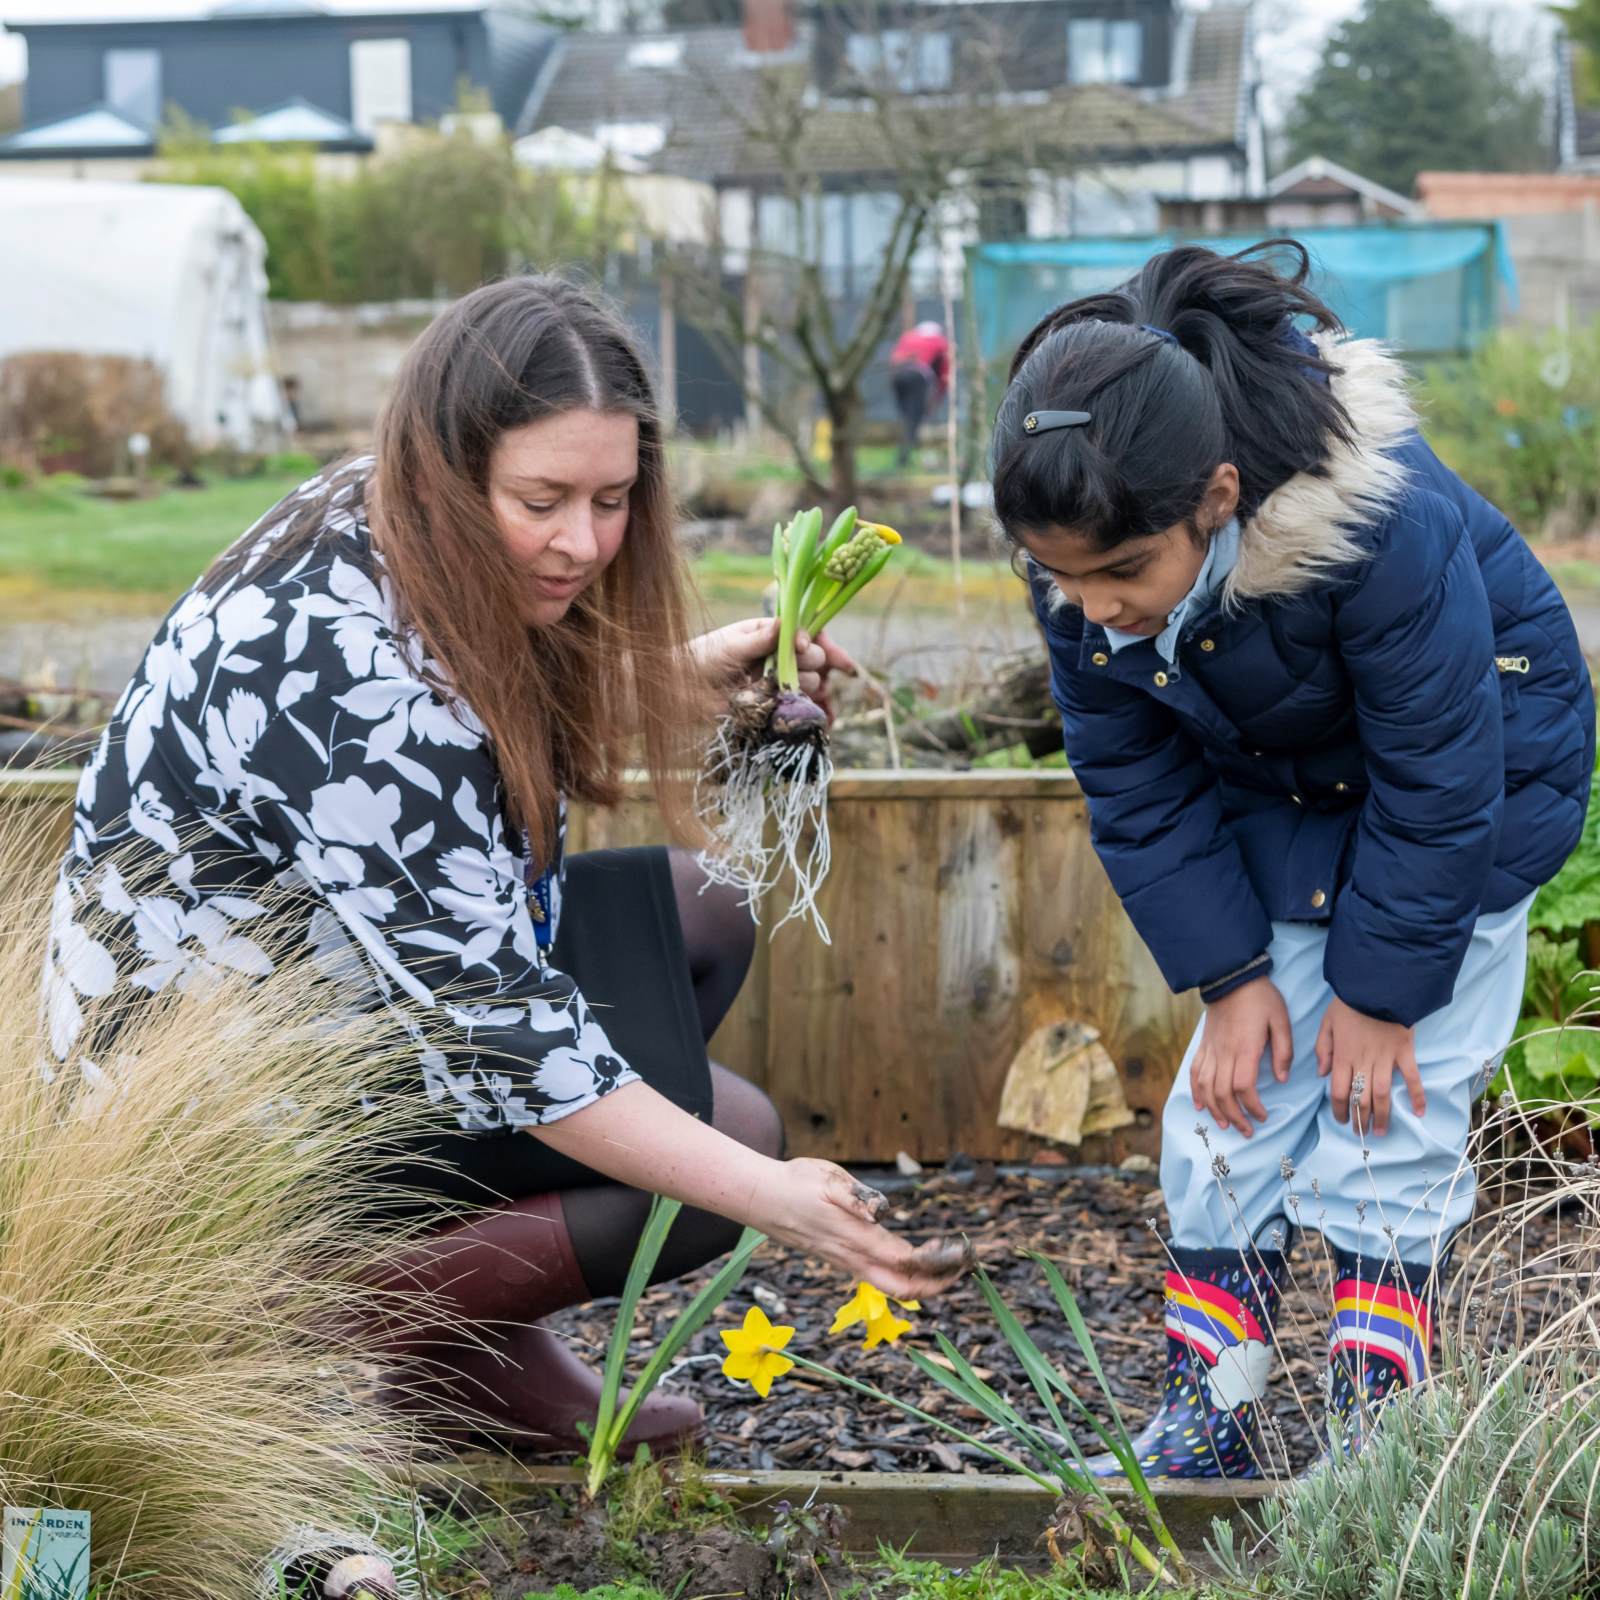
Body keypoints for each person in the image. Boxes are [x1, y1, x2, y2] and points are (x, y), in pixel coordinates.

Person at [46, 274, 968, 1455]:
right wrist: (775, 1203)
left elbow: (469, 720)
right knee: (727, 1143)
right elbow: (507, 1034)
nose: (580, 541)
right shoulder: (338, 669)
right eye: (541, 498)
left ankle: (474, 1339)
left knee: (700, 917)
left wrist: (675, 676)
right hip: (226, 1119)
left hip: (340, 999)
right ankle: (293, 1329)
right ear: (449, 467)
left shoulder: (375, 513)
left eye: (612, 498)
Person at [989, 242, 1593, 1475]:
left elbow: (1439, 782)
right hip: (1292, 788)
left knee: (1386, 1117)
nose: (1091, 607)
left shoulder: (1380, 529)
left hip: (1468, 797)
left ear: (1217, 495)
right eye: (1058, 576)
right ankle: (1211, 1410)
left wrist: (1377, 999)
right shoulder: (1085, 580)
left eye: (1118, 573)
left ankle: (1379, 1432)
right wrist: (1232, 978)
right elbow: (1136, 786)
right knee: (1227, 1109)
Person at [888, 320, 950, 468]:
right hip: (917, 377)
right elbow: (944, 373)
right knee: (914, 418)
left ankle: (906, 453)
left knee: (906, 416)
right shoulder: (941, 343)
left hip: (898, 376)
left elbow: (894, 358)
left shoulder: (907, 337)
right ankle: (903, 459)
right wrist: (939, 396)